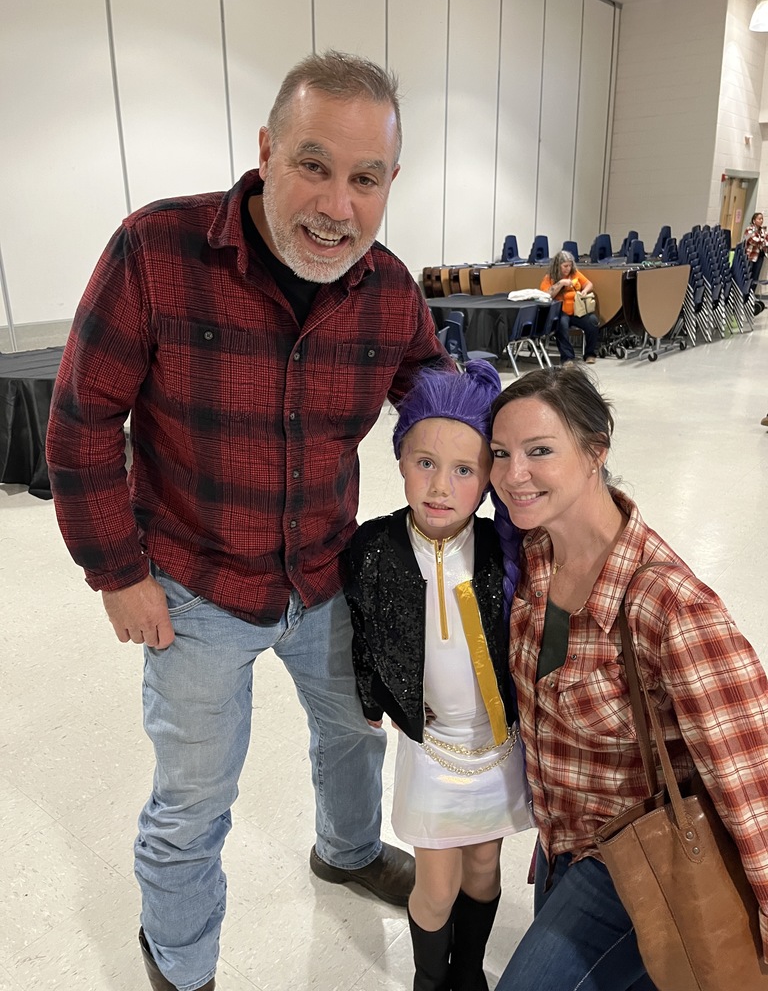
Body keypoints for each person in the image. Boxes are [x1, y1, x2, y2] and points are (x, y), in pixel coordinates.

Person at [46, 50, 453, 991]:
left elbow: (437, 400)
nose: (337, 206)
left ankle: (348, 852)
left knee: (355, 734)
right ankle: (182, 967)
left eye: (366, 179)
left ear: (392, 182)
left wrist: (529, 460)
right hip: (194, 584)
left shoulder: (389, 291)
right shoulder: (157, 252)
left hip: (325, 573)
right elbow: (80, 421)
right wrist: (118, 573)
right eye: (314, 164)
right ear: (266, 150)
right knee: (194, 801)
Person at [488, 366, 768, 991]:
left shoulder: (667, 604)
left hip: (643, 858)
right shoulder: (535, 558)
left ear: (596, 451)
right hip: (561, 845)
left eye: (539, 451)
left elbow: (752, 775)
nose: (512, 474)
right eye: (501, 453)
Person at [345, 361, 532, 991]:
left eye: (463, 470)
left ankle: (468, 973)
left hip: (497, 747)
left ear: (488, 480)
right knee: (436, 882)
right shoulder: (373, 549)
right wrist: (373, 696)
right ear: (400, 459)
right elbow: (363, 630)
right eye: (425, 462)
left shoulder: (504, 550)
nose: (440, 486)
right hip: (432, 751)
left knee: (483, 867)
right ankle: (429, 980)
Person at [539, 249, 599, 365]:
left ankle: (590, 354)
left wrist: (585, 291)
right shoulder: (549, 278)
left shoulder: (575, 274)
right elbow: (546, 295)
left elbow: (589, 284)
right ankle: (567, 358)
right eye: (565, 266)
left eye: (570, 266)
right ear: (558, 265)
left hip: (577, 310)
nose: (568, 268)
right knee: (561, 325)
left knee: (593, 321)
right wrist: (561, 283)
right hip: (560, 312)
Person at [743, 211, 767, 285]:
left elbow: (766, 241)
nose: (761, 220)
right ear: (754, 220)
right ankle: (745, 292)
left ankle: (752, 291)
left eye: (762, 219)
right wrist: (762, 241)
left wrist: (762, 241)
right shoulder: (749, 229)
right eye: (759, 219)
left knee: (755, 277)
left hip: (760, 256)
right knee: (748, 276)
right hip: (751, 256)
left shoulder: (763, 230)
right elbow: (752, 240)